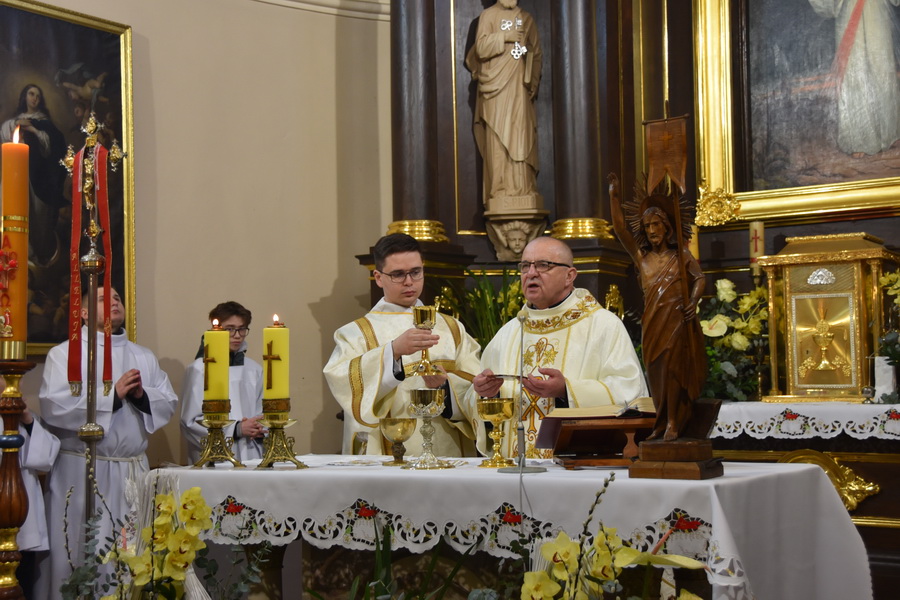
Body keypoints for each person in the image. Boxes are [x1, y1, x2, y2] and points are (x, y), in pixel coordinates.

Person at [38, 287, 178, 598]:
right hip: (83, 472)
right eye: (103, 298)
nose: (115, 301)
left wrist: (142, 397)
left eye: (117, 297)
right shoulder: (64, 354)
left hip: (131, 472)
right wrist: (111, 397)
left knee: (130, 555)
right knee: (78, 551)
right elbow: (53, 405)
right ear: (83, 313)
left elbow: (168, 400)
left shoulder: (143, 356)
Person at [470, 237, 648, 458]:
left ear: (569, 276)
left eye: (543, 265)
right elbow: (478, 402)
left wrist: (566, 391)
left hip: (577, 465)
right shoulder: (509, 333)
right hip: (514, 466)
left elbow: (630, 395)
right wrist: (487, 394)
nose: (531, 273)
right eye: (525, 266)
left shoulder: (602, 325)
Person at [324, 233, 481, 456]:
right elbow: (343, 383)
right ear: (378, 277)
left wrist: (445, 388)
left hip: (449, 456)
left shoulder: (452, 328)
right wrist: (393, 352)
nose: (409, 282)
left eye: (415, 272)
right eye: (398, 274)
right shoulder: (356, 334)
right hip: (391, 457)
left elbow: (476, 390)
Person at [609, 174, 707, 441]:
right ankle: (661, 422)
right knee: (655, 373)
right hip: (652, 323)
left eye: (655, 224)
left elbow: (699, 278)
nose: (651, 230)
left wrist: (693, 301)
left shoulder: (680, 255)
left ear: (666, 226)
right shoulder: (642, 257)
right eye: (647, 226)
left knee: (674, 370)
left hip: (676, 321)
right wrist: (614, 196)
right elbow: (620, 229)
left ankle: (674, 422)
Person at [465, 0, 543, 212]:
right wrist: (505, 37)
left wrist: (533, 80)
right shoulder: (488, 16)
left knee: (520, 135)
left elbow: (536, 53)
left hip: (519, 88)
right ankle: (499, 189)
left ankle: (524, 188)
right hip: (495, 90)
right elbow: (481, 48)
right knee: (498, 137)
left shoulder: (526, 19)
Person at [808, 0, 900, 157]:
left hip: (878, 10)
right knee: (854, 72)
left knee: (882, 69)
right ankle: (859, 141)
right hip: (849, 11)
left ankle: (890, 133)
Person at [181, 301, 265, 464]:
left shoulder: (254, 369)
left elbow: (262, 412)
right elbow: (190, 423)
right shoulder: (199, 369)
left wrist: (260, 426)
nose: (237, 335)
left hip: (251, 453)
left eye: (242, 329)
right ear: (217, 330)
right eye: (230, 329)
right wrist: (236, 429)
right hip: (214, 459)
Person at [0, 84, 68, 266]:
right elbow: (5, 134)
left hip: (38, 176)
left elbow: (51, 147)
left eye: (38, 95)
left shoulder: (44, 123)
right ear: (25, 96)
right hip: (16, 176)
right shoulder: (16, 121)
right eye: (31, 94)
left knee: (36, 216)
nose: (34, 98)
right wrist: (17, 124)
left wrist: (34, 130)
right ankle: (18, 254)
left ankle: (33, 256)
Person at [15, 407, 60, 600]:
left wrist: (28, 421)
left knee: (21, 581)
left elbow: (46, 457)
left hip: (23, 516)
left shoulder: (26, 417)